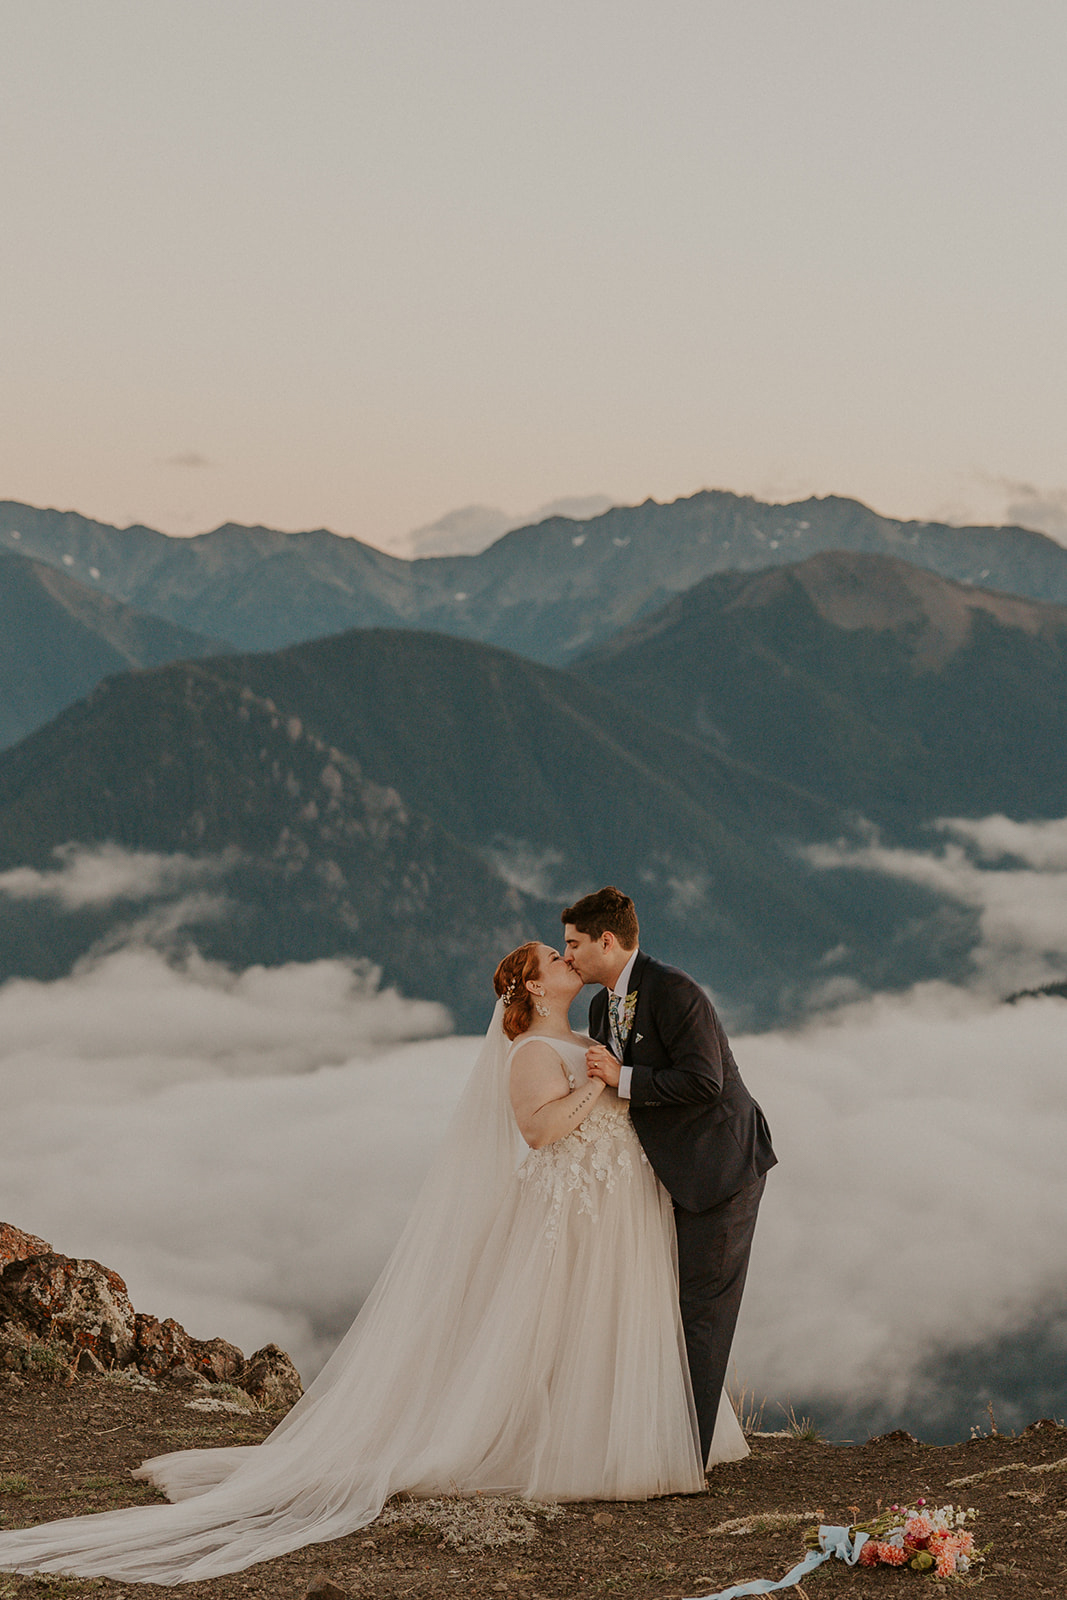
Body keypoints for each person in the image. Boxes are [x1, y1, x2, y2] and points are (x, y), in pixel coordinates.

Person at [0, 942, 746, 1586]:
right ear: (531, 986)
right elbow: (539, 1131)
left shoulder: (582, 1031)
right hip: (569, 1214)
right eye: (551, 958)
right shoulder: (528, 1055)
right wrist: (597, 1083)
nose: (565, 958)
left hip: (606, 1214)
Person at [562, 887, 776, 1467]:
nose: (569, 956)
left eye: (574, 944)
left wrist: (623, 1077)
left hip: (721, 1169)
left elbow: (704, 1081)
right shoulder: (601, 1007)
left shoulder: (675, 990)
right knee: (665, 1307)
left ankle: (686, 1460)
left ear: (607, 940)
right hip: (668, 1178)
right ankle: (661, 1442)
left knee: (701, 1315)